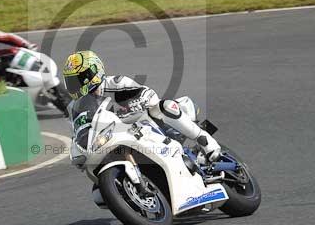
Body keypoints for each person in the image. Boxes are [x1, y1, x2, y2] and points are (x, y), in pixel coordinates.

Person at [62, 50, 221, 161]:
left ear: (94, 71)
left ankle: (205, 140)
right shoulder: (80, 108)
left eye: (80, 79)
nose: (76, 85)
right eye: (72, 81)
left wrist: (138, 103)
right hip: (118, 139)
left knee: (165, 106)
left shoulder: (116, 83)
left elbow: (148, 94)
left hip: (148, 125)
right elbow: (80, 133)